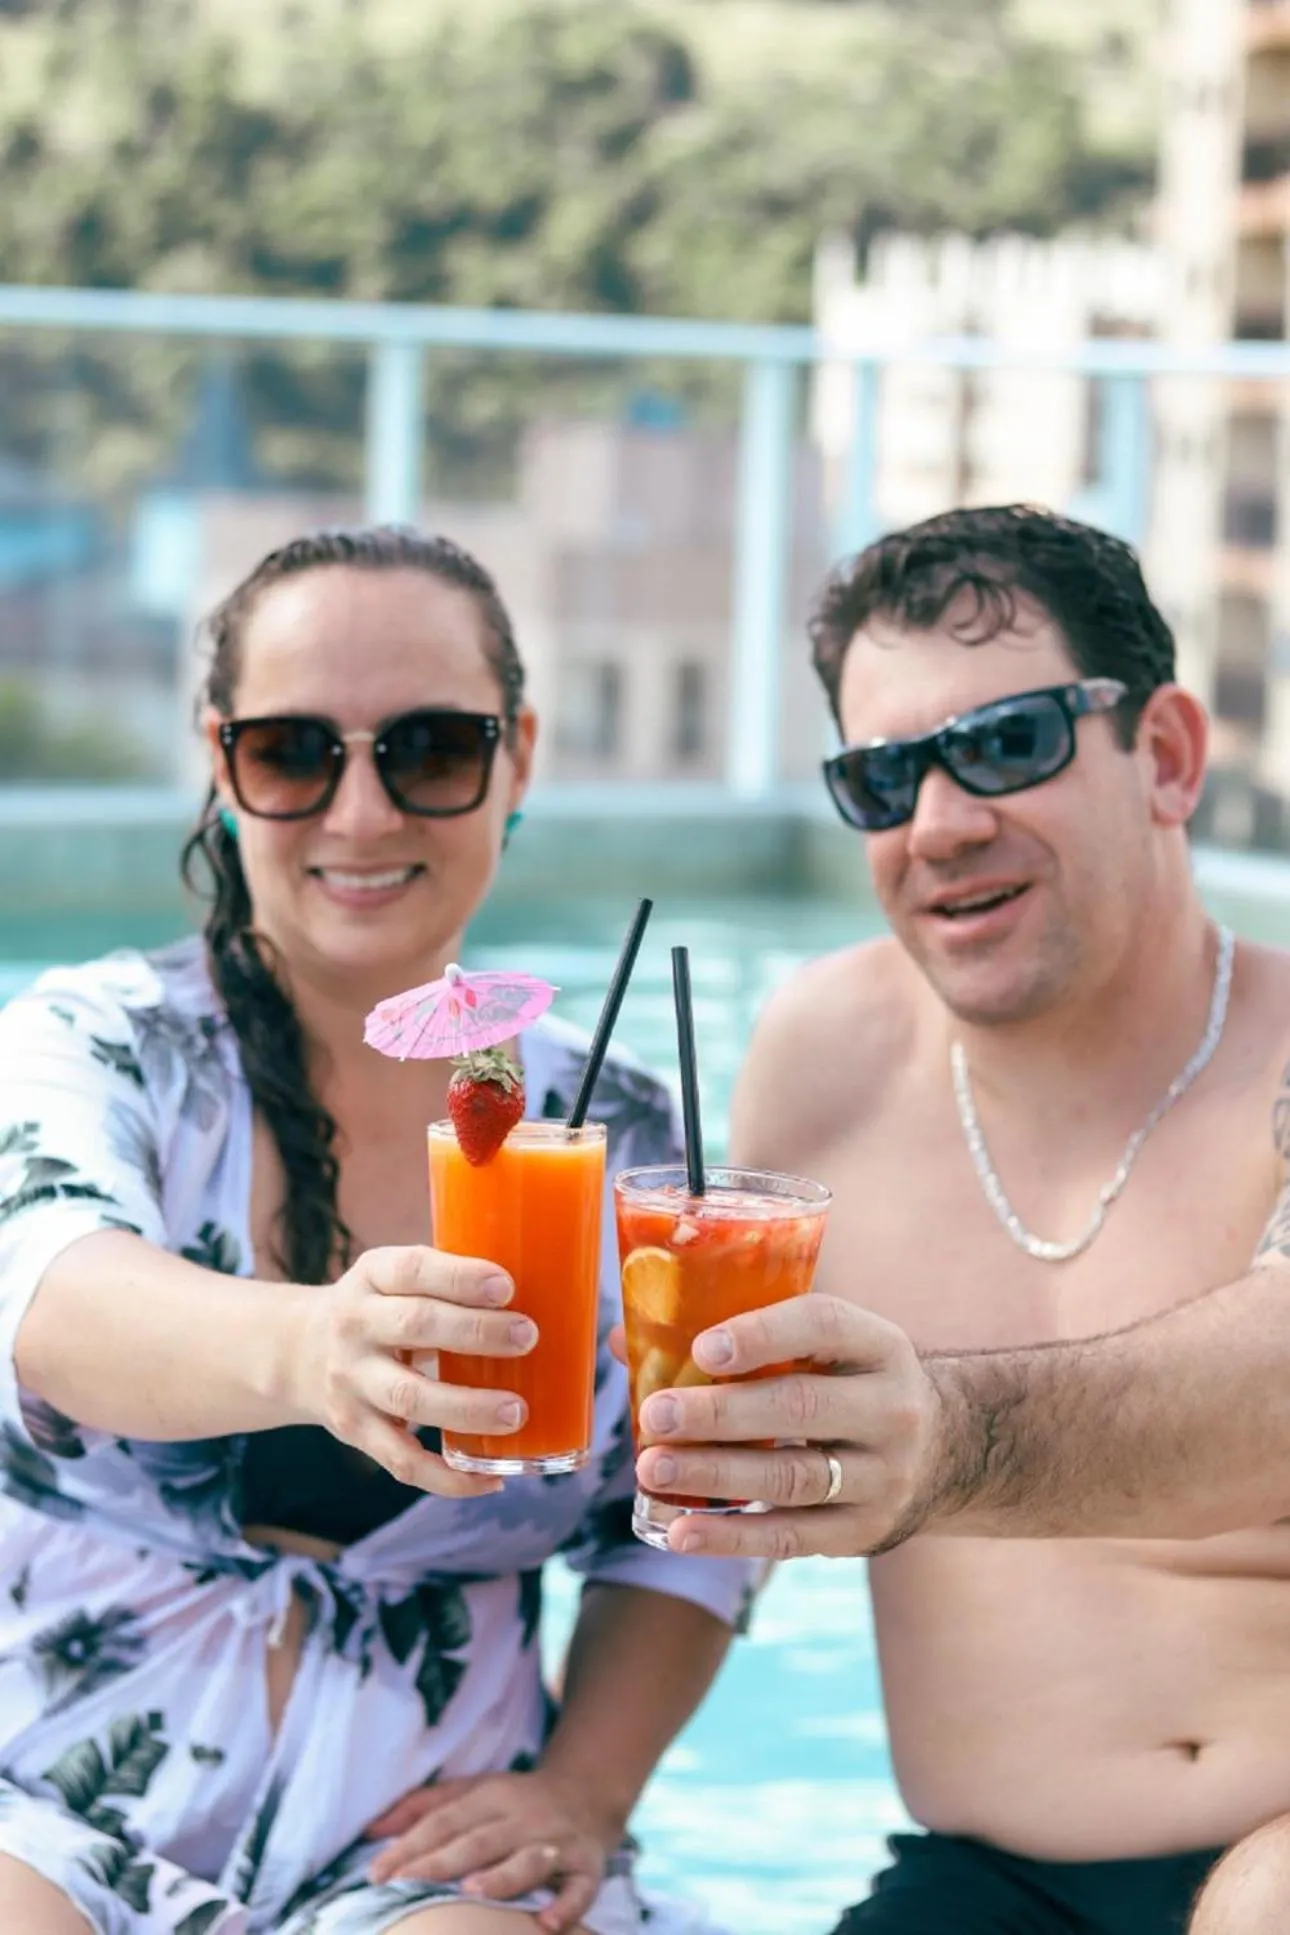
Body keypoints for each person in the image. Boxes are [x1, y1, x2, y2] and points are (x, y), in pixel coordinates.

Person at [0, 525, 754, 1935]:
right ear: (219, 765)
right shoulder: (94, 1047)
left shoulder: (627, 1147)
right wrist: (319, 1346)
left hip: (422, 1849)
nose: (361, 813)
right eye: (294, 751)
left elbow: (690, 1524)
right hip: (39, 1795)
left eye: (430, 749)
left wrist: (586, 1792)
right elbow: (52, 1287)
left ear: (517, 757)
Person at [627, 504, 1290, 1934]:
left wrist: (944, 1441)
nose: (938, 822)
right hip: (981, 1879)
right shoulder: (820, 1058)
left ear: (1163, 756)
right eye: (881, 777)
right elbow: (702, 1495)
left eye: (1005, 744)